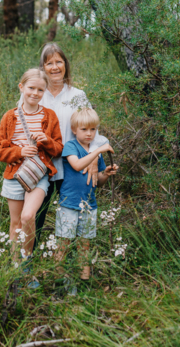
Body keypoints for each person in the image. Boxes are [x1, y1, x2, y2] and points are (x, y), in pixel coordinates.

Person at [34, 43, 109, 245]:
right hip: (43, 167)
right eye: (49, 63)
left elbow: (91, 128)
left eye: (59, 61)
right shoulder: (36, 93)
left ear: (66, 65)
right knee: (37, 215)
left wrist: (93, 158)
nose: (55, 67)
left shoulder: (77, 95)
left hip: (74, 168)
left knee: (77, 216)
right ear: (42, 67)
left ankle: (74, 268)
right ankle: (29, 264)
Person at [0, 68, 63, 274]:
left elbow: (58, 149)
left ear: (45, 92)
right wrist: (19, 151)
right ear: (21, 87)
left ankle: (27, 262)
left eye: (40, 90)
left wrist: (46, 141)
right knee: (15, 224)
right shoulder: (9, 117)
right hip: (14, 175)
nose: (35, 93)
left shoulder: (49, 116)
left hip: (38, 175)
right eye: (31, 88)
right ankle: (15, 268)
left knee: (28, 216)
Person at [55, 107, 118, 286]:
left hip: (89, 204)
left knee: (85, 244)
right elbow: (76, 165)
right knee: (64, 242)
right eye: (84, 129)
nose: (89, 134)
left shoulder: (95, 150)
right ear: (74, 130)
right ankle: (58, 278)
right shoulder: (71, 146)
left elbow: (98, 180)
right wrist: (98, 152)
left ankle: (84, 280)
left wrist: (105, 173)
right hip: (69, 203)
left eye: (93, 129)